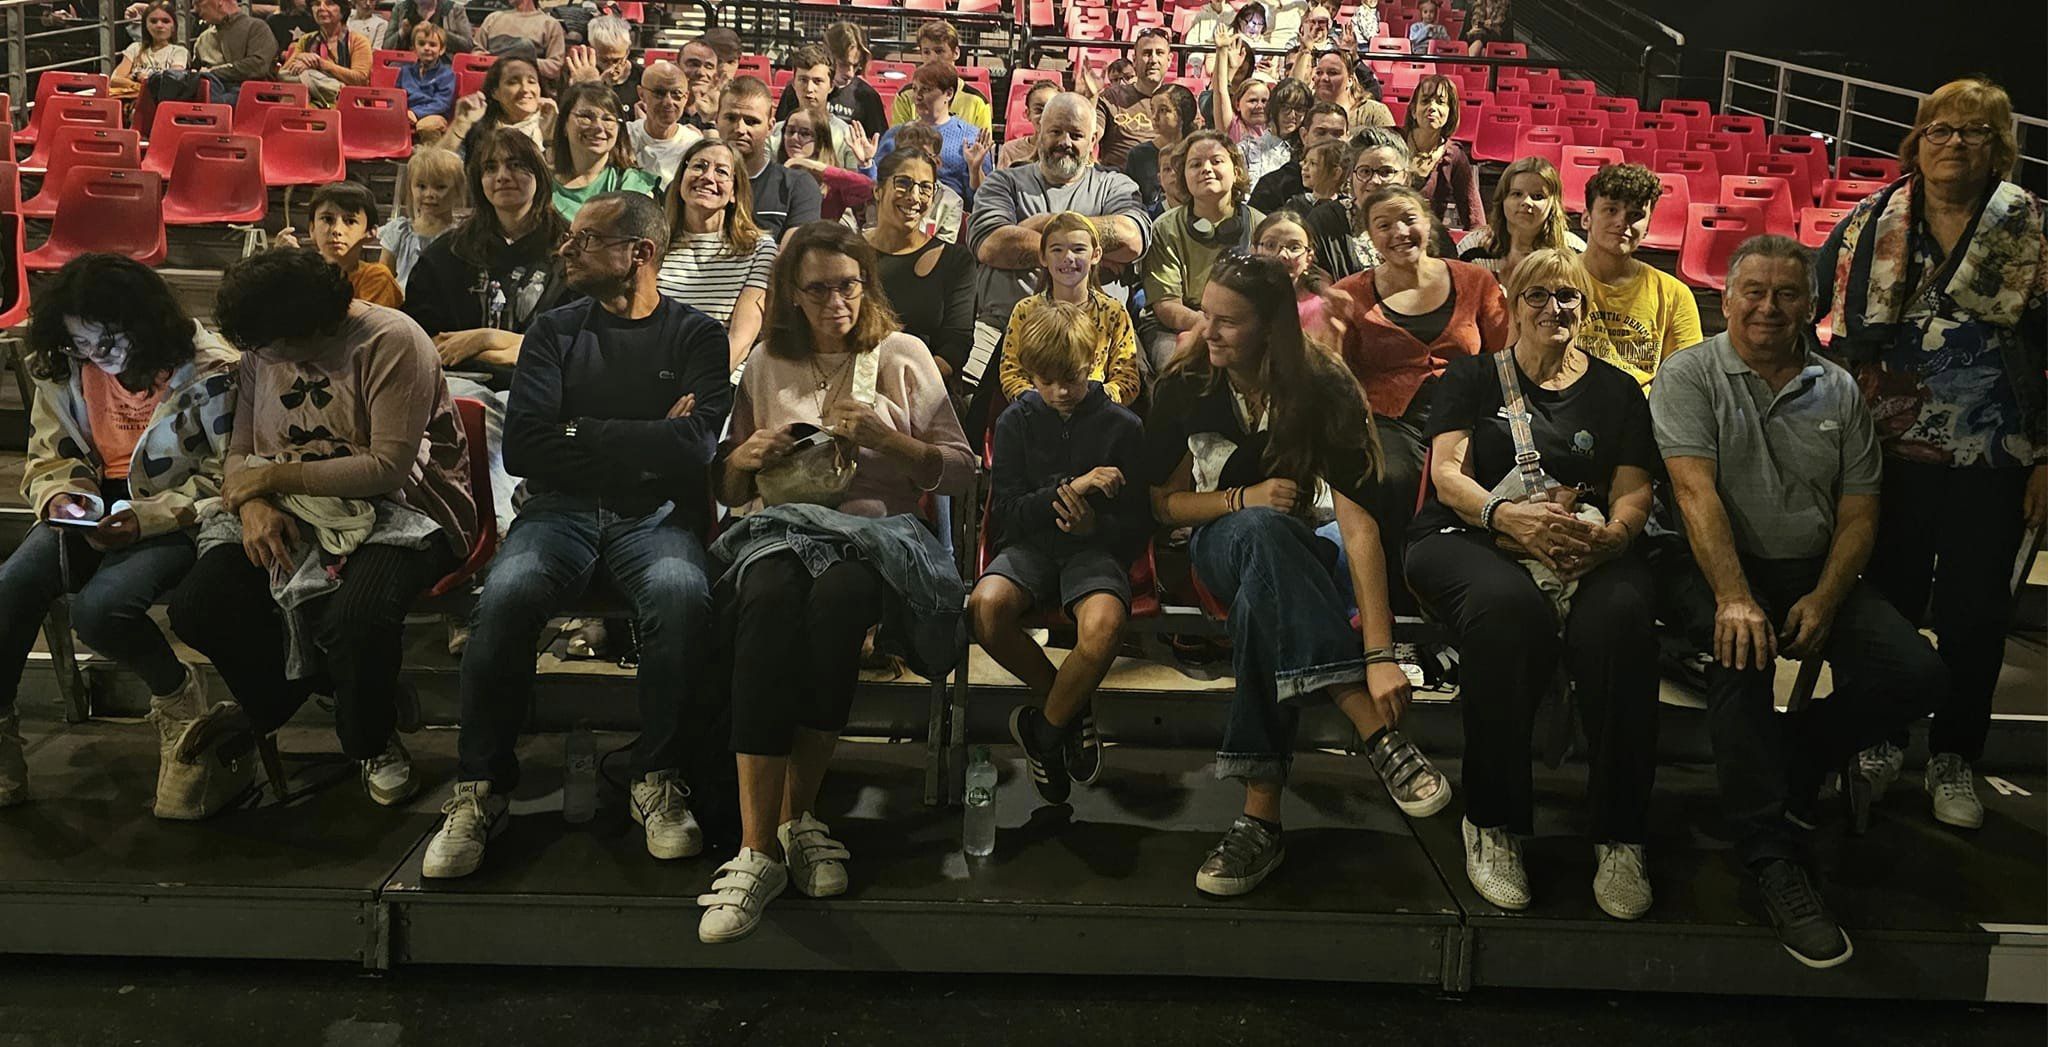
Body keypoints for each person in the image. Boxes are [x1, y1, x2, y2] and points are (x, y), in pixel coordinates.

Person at [421, 192, 733, 878]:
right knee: (503, 599)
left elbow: (697, 444)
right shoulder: (554, 332)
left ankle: (658, 774)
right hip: (557, 508)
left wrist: (581, 430)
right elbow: (528, 448)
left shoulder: (699, 336)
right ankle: (481, 786)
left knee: (684, 597)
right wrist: (651, 434)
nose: (565, 249)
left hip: (654, 515)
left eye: (585, 241)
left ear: (638, 254)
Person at [1651, 235, 1942, 969]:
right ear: (1727, 296)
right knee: (1738, 656)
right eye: (1754, 291)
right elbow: (1694, 492)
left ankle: (1801, 751)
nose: (1769, 308)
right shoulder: (1689, 374)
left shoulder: (1839, 388)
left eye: (1787, 294)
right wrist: (1733, 597)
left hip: (1812, 566)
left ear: (1810, 306)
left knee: (1919, 673)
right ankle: (1769, 853)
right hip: (1712, 563)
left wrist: (1826, 593)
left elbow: (1859, 513)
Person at [700, 223, 973, 944]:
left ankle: (799, 816)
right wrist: (748, 456)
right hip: (780, 528)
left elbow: (963, 471)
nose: (835, 300)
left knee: (839, 600)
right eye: (818, 288)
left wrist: (893, 442)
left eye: (848, 284)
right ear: (792, 292)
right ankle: (759, 847)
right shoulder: (766, 360)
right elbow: (729, 484)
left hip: (875, 534)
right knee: (765, 599)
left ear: (867, 285)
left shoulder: (902, 354)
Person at [1145, 252, 1446, 897]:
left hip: (1314, 553)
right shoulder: (1185, 384)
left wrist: (1381, 651)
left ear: (1272, 326)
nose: (1209, 332)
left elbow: (1359, 522)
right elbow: (1160, 505)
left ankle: (1259, 821)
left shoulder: (1322, 385)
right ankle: (1370, 727)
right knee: (1263, 531)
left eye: (1229, 322)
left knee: (1266, 598)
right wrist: (1239, 501)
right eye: (1206, 315)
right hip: (1219, 541)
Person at [1814, 77, 2047, 828]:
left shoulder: (2029, 233)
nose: (1956, 144)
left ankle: (1955, 755)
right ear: (1917, 141)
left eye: (1976, 133)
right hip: (1886, 452)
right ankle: (1876, 734)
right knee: (1885, 602)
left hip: (1996, 453)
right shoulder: (1867, 222)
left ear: (2000, 148)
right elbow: (1809, 311)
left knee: (1977, 614)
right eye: (1941, 130)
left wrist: (2046, 455)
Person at [167, 247, 475, 810]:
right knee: (198, 606)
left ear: (315, 327)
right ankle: (319, 690)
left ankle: (370, 740)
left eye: (273, 347)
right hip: (286, 502)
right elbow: (241, 450)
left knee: (355, 619)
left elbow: (387, 467)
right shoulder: (264, 347)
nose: (262, 356)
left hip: (402, 509)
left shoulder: (391, 340)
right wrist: (252, 504)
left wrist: (270, 479)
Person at [1406, 249, 1660, 919]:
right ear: (1513, 305)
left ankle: (1620, 832)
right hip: (1471, 534)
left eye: (1569, 297)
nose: (1555, 309)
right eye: (1538, 296)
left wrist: (1615, 538)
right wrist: (1506, 514)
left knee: (1625, 617)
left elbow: (1634, 489)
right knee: (1505, 611)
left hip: (1582, 542)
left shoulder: (1617, 390)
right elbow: (1449, 475)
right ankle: (1492, 821)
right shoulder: (1471, 377)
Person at [4, 256, 238, 819]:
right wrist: (62, 496)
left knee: (102, 610)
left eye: (108, 341)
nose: (96, 357)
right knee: (10, 589)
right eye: (82, 345)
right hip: (92, 506)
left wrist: (146, 518)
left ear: (145, 322)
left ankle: (182, 708)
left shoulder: (211, 371)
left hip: (177, 512)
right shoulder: (63, 366)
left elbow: (230, 476)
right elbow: (48, 453)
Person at [975, 301, 1148, 802]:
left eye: (1070, 377)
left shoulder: (1122, 427)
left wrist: (1094, 520)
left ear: (1092, 360)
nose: (1060, 392)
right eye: (1046, 380)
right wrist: (1076, 487)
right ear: (1030, 374)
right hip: (1029, 545)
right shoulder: (1015, 422)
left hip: (1094, 550)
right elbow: (1005, 511)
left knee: (1104, 628)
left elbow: (1139, 525)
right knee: (984, 610)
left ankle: (1047, 728)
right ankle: (1070, 702)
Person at [1330, 184, 1512, 614]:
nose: (1400, 232)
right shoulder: (1348, 293)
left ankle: (1479, 600)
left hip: (1469, 411)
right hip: (1388, 415)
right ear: (1368, 236)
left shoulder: (1476, 281)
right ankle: (1402, 606)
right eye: (1384, 225)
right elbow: (1334, 371)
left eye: (1408, 219)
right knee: (1391, 478)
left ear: (1428, 221)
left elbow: (1504, 357)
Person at [970, 93, 1150, 399]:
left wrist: (1043, 223)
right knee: (969, 404)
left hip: (1098, 333)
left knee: (1136, 406)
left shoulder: (1116, 184)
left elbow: (1130, 237)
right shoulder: (1003, 182)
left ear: (1094, 138)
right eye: (1056, 131)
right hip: (1001, 326)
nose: (1065, 141)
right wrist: (1087, 245)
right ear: (1040, 130)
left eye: (1076, 135)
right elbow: (993, 245)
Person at [404, 130, 571, 391]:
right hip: (460, 386)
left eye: (516, 165)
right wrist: (513, 348)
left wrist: (484, 339)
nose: (503, 176)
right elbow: (426, 340)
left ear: (539, 174)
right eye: (490, 168)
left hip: (546, 386)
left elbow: (576, 344)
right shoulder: (446, 254)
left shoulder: (571, 251)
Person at [1143, 131, 1264, 375]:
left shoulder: (1260, 225)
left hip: (1242, 324)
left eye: (1216, 161)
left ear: (1237, 171)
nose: (1206, 169)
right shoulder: (1164, 228)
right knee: (1179, 372)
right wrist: (1213, 328)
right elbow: (1166, 306)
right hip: (1177, 326)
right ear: (1184, 177)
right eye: (1195, 164)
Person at [656, 139, 777, 373]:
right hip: (657, 374)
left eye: (721, 171)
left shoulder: (759, 248)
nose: (707, 177)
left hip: (722, 380)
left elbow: (741, 340)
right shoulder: (655, 245)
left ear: (734, 193)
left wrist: (700, 386)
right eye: (699, 166)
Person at [1576, 162, 1702, 386]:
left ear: (1648, 227)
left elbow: (1686, 381)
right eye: (1611, 209)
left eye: (1635, 215)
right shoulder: (1554, 280)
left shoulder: (1675, 294)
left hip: (1641, 413)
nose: (1622, 222)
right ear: (1586, 218)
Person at [999, 212, 1140, 407]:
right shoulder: (1026, 310)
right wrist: (1038, 400)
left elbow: (1127, 377)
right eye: (1057, 250)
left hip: (1097, 412)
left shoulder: (1113, 312)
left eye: (1079, 249)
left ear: (1096, 255)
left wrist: (1095, 398)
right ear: (1043, 256)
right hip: (1038, 411)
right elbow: (1012, 372)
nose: (1068, 258)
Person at [866, 148, 976, 384]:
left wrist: (904, 385)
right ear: (878, 190)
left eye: (926, 188)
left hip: (922, 388)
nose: (915, 197)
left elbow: (955, 347)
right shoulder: (846, 253)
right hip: (852, 381)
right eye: (903, 183)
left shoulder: (956, 261)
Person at [720, 77, 823, 243]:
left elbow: (793, 254)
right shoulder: (697, 183)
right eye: (731, 118)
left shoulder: (797, 186)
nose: (740, 129)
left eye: (752, 121)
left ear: (770, 127)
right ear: (716, 120)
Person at [878, 63, 994, 208]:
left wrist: (975, 170)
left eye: (926, 89)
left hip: (950, 213)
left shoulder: (971, 137)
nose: (918, 97)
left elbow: (983, 200)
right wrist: (865, 164)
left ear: (949, 93)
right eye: (915, 89)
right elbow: (876, 186)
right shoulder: (895, 134)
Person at [1457, 155, 1586, 283]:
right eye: (1517, 194)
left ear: (1554, 204)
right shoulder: (1472, 248)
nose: (1526, 202)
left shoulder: (1574, 251)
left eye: (1537, 196)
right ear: (1502, 199)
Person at [274, 181, 404, 307]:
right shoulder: (298, 271)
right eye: (327, 219)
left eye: (350, 221)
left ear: (370, 232)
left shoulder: (377, 277)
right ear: (312, 229)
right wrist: (280, 268)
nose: (336, 230)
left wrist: (302, 273)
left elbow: (348, 325)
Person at [548, 82, 659, 221]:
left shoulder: (633, 184)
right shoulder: (541, 186)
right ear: (564, 124)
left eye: (608, 119)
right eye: (586, 117)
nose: (598, 127)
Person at [770, 44, 874, 175]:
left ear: (831, 86)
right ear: (793, 83)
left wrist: (865, 165)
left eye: (817, 81)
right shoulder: (775, 133)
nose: (809, 89)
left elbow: (856, 188)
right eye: (803, 80)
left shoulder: (846, 135)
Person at [1086, 26, 1172, 171]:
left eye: (1159, 53)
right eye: (1146, 53)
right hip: (1118, 184)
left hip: (1164, 183)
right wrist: (1092, 97)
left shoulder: (1178, 100)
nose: (1153, 59)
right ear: (1135, 60)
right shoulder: (1111, 97)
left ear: (1169, 60)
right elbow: (1089, 136)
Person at [1402, 74, 1482, 231]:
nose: (1432, 107)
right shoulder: (1393, 142)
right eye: (1425, 101)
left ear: (1450, 112)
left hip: (1429, 241)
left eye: (1440, 102)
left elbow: (1475, 218)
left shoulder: (1454, 155)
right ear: (1413, 110)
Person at [778, 103, 877, 225]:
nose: (794, 138)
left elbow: (869, 188)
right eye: (790, 131)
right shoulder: (774, 174)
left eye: (805, 134)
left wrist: (813, 166)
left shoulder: (833, 183)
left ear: (820, 141)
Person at [886, 19, 992, 133]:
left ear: (956, 53)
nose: (932, 58)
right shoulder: (905, 97)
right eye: (926, 52)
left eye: (939, 51)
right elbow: (897, 144)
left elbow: (983, 148)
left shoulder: (977, 101)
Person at [379, 149, 464, 289]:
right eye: (421, 186)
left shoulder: (461, 237)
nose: (429, 194)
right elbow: (382, 279)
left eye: (440, 187)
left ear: (457, 191)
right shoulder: (399, 232)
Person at [1248, 100, 1350, 213]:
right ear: (1304, 136)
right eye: (1321, 133)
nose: (1329, 140)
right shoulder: (1274, 186)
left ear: (1348, 138)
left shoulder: (1359, 180)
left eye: (1337, 134)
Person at [445, 56, 556, 157]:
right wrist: (459, 125)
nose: (525, 89)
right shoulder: (478, 130)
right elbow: (439, 171)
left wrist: (550, 138)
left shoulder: (555, 125)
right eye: (513, 82)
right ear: (495, 92)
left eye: (531, 82)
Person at [800, 21, 886, 139]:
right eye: (843, 64)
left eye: (856, 66)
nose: (850, 73)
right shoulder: (800, 87)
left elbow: (880, 145)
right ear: (826, 54)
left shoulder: (867, 97)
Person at [1124, 84, 1199, 218]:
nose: (1154, 117)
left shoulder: (1198, 151)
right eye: (1152, 109)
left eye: (1163, 110)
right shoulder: (1139, 155)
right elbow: (1132, 201)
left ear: (1182, 114)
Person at [626, 60, 702, 190]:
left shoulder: (694, 145)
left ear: (686, 98)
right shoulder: (625, 136)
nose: (668, 102)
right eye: (659, 93)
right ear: (641, 94)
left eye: (676, 94)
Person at [886, 122, 967, 244]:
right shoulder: (883, 192)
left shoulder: (950, 201)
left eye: (923, 155)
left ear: (937, 162)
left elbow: (943, 251)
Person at [278, 0, 370, 107]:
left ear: (343, 10)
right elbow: (284, 74)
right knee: (290, 99)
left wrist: (321, 64)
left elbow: (360, 79)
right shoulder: (306, 40)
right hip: (309, 98)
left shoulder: (358, 41)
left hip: (346, 103)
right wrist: (300, 57)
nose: (321, 8)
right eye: (316, 4)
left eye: (329, 3)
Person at [195, 0, 278, 106]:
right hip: (212, 90)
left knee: (217, 102)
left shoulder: (257, 28)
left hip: (251, 93)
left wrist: (213, 72)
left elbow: (258, 66)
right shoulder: (203, 40)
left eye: (199, 2)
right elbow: (196, 72)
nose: (196, 10)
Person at [563, 16, 640, 120]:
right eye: (604, 60)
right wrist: (593, 86)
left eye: (617, 60)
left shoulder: (641, 77)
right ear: (592, 50)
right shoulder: (578, 73)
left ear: (627, 52)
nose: (611, 67)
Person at [110, 1, 189, 99]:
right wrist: (138, 81)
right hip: (131, 98)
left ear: (173, 27)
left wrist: (132, 78)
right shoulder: (135, 48)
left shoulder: (179, 52)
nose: (159, 25)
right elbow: (115, 80)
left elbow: (171, 82)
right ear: (146, 26)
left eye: (165, 21)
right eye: (153, 21)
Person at [476, 0, 564, 81]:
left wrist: (524, 61)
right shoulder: (493, 18)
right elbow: (476, 51)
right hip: (489, 82)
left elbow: (555, 67)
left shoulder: (549, 24)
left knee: (525, 45)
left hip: (528, 84)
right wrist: (479, 57)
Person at [398, 20, 456, 143]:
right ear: (413, 48)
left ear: (442, 49)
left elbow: (442, 103)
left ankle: (432, 159)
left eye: (433, 44)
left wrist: (416, 113)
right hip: (406, 114)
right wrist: (403, 112)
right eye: (421, 43)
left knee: (427, 126)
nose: (427, 48)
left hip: (434, 114)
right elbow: (397, 97)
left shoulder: (447, 74)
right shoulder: (405, 71)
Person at [998, 81, 1060, 171]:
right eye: (1039, 110)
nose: (1045, 116)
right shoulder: (1010, 150)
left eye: (1052, 109)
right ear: (1028, 114)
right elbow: (1001, 183)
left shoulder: (1066, 148)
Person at [381, 0, 473, 54]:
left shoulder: (454, 9)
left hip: (444, 64)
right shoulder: (401, 8)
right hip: (406, 63)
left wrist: (439, 33)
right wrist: (402, 32)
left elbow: (467, 46)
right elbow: (386, 47)